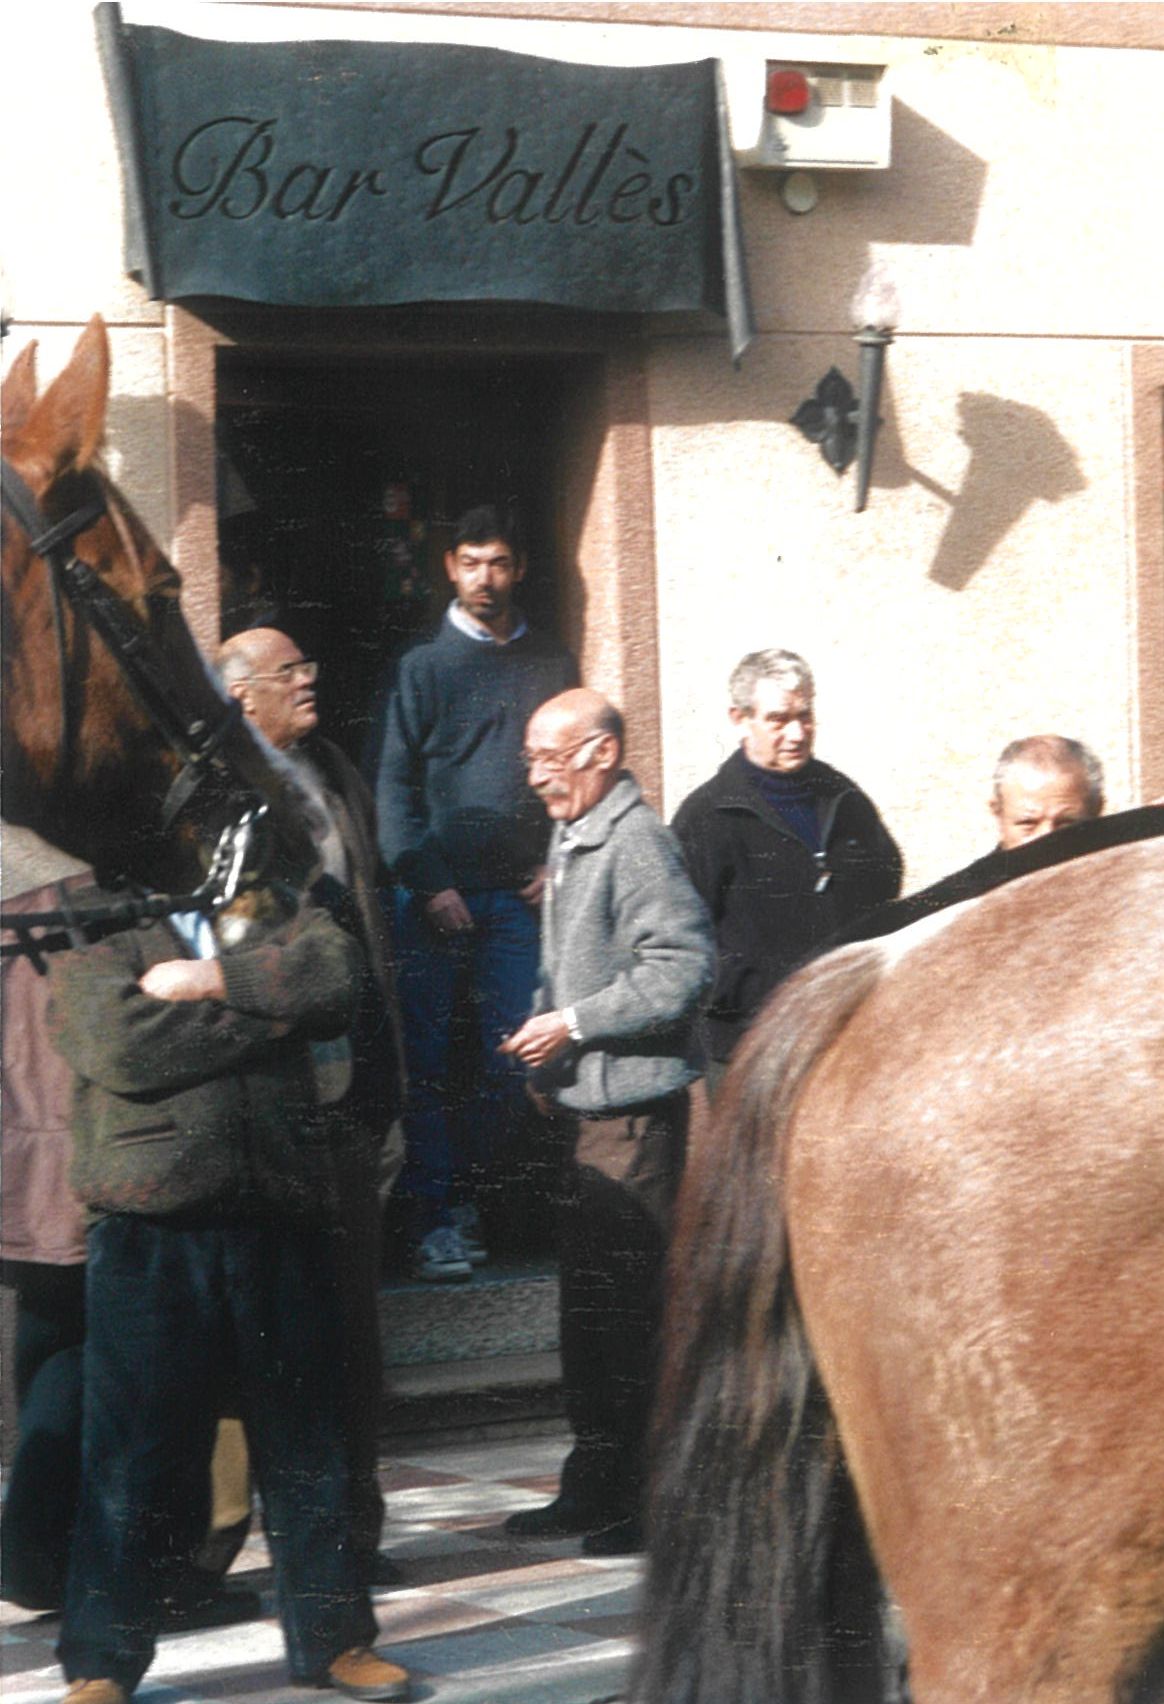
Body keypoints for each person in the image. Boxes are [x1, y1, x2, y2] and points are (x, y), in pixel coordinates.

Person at [45, 885, 411, 1704]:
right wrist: (268, 1008)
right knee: (129, 1459)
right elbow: (118, 1043)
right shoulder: (95, 918)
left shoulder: (273, 903)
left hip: (279, 1212)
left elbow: (335, 979)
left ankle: (337, 1642)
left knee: (308, 1446)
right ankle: (101, 1663)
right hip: (151, 1227)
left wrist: (209, 979)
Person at [0, 836, 255, 1629]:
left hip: (27, 1170)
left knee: (51, 1353)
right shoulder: (91, 895)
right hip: (91, 1169)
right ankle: (86, 1565)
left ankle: (39, 1560)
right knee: (110, 1373)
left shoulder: (20, 899)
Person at [500, 688, 714, 1555]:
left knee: (628, 1316)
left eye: (550, 759)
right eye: (530, 761)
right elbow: (574, 968)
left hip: (633, 1121)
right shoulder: (572, 832)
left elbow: (685, 965)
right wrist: (547, 1034)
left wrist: (575, 1025)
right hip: (587, 1112)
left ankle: (647, 1501)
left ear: (601, 752)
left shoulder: (636, 842)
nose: (537, 777)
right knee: (590, 1319)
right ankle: (595, 1486)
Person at [217, 626, 406, 1587]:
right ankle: (226, 1552)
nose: (311, 678)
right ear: (242, 695)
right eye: (291, 670)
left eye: (309, 662)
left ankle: (349, 1542)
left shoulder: (333, 768)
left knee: (352, 1340)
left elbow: (372, 922)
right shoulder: (219, 793)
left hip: (355, 1094)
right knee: (262, 1343)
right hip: (271, 1103)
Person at [374, 504, 578, 1280]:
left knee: (513, 1061)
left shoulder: (551, 662)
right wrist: (427, 882)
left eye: (498, 563)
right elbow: (391, 787)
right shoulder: (421, 666)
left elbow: (571, 769)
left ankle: (485, 1205)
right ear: (449, 568)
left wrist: (553, 857)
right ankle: (433, 1219)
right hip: (434, 902)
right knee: (424, 1063)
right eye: (470, 562)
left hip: (515, 904)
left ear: (518, 569)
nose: (484, 578)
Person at [671, 649, 903, 1095]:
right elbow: (684, 941)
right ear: (739, 719)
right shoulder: (706, 817)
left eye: (805, 715)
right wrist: (757, 993)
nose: (797, 733)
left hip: (844, 1031)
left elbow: (885, 879)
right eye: (778, 720)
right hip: (752, 1045)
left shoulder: (842, 796)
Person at [989, 733, 1104, 849]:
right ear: (998, 814)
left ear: (1096, 811)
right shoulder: (986, 868)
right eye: (1028, 823)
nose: (1047, 839)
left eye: (1065, 824)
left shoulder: (1119, 864)